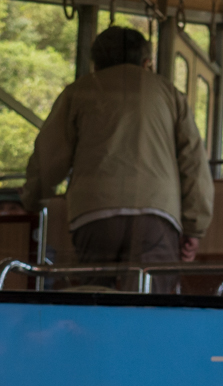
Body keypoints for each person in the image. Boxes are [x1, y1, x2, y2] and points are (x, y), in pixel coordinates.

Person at [21, 26, 213, 277]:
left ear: (96, 65)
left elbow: (49, 156)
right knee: (151, 304)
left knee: (97, 300)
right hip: (157, 212)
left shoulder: (79, 91)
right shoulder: (169, 94)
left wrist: (33, 199)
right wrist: (194, 227)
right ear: (146, 63)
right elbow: (194, 163)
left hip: (93, 211)